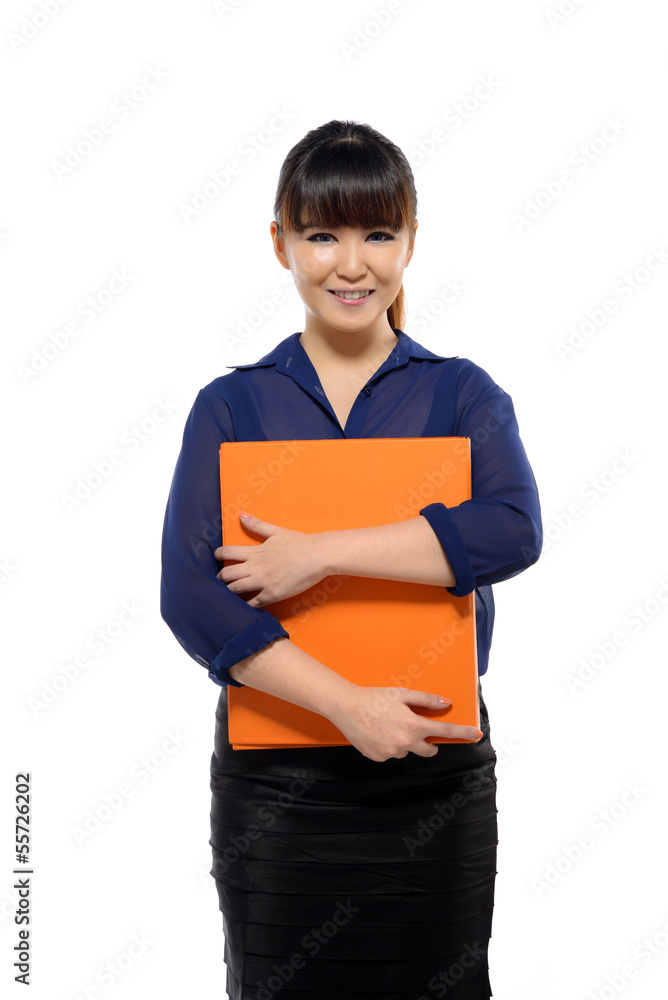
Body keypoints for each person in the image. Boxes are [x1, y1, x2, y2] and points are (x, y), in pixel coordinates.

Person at [160, 119, 542, 1000]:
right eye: (322, 235)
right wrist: (347, 707)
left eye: (378, 233)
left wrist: (317, 557)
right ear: (281, 243)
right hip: (280, 785)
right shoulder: (234, 405)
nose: (351, 263)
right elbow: (192, 597)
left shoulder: (459, 392)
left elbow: (511, 529)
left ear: (412, 239)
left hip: (432, 771)